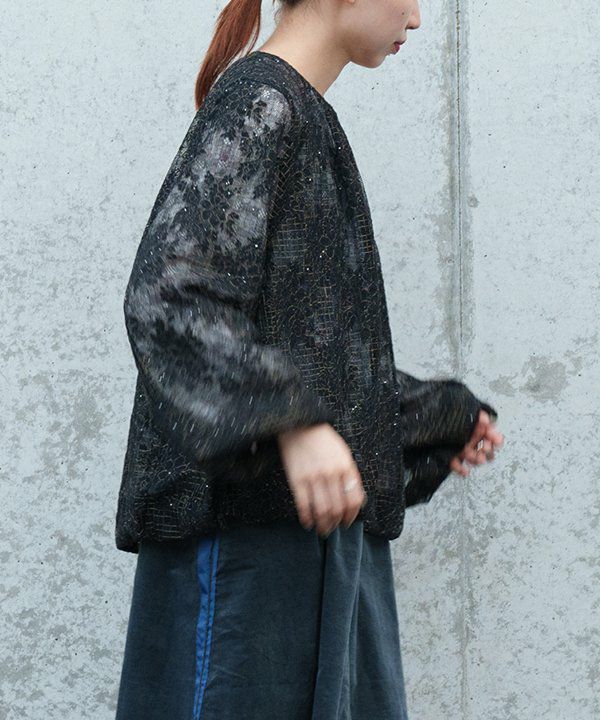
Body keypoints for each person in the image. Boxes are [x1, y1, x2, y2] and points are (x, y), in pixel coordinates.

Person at [114, 0, 505, 717]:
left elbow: (318, 359)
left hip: (305, 561)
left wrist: (440, 417)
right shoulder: (260, 103)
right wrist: (293, 424)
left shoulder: (300, 115)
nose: (417, 18)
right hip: (246, 568)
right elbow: (168, 294)